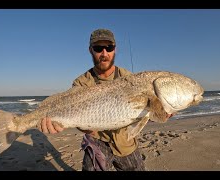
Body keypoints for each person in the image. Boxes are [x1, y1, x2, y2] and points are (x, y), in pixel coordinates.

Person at [39, 28, 173, 171]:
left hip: (125, 142)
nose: (104, 53)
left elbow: (145, 113)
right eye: (98, 48)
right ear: (90, 50)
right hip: (97, 141)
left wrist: (161, 111)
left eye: (109, 47)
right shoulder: (81, 83)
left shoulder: (131, 79)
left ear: (114, 49)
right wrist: (58, 123)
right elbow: (78, 121)